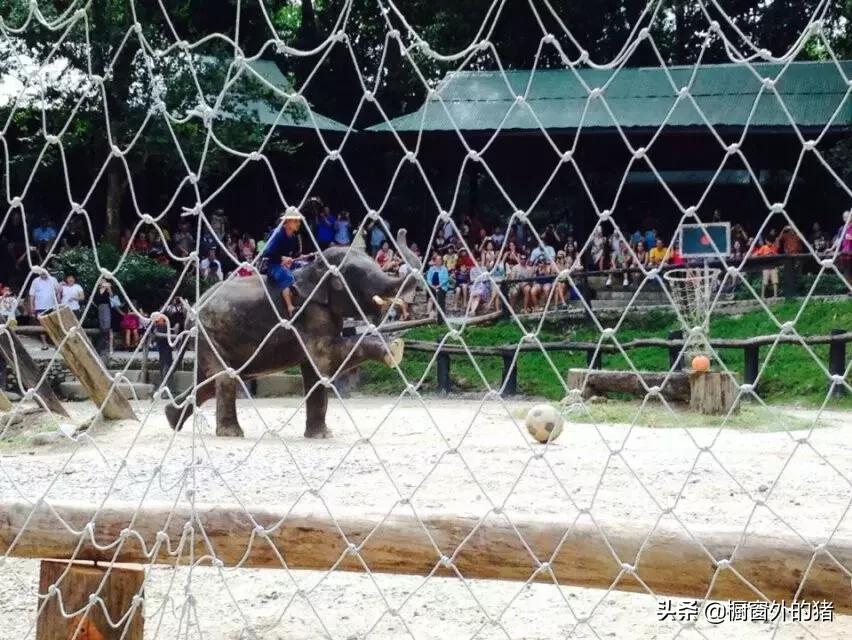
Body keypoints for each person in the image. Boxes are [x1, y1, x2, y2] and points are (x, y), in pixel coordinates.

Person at [262, 210, 306, 317]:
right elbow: (266, 252)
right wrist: (282, 258)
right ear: (287, 221)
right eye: (295, 221)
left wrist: (296, 258)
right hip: (273, 265)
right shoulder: (277, 234)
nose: (298, 223)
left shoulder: (293, 237)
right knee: (286, 276)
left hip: (285, 264)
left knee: (304, 266)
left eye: (298, 221)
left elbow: (291, 255)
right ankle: (290, 307)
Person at [28, 268, 60, 349]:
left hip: (52, 306)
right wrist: (32, 306)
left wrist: (59, 303)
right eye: (41, 272)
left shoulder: (53, 280)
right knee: (41, 325)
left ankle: (55, 343)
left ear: (48, 272)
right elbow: (32, 295)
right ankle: (44, 343)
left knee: (53, 324)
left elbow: (58, 292)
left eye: (45, 272)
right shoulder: (35, 281)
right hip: (39, 306)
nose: (43, 273)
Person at [425, 253, 450, 317]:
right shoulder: (431, 269)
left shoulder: (444, 269)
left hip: (442, 286)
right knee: (431, 298)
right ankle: (428, 313)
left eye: (440, 260)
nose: (438, 261)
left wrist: (439, 286)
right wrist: (432, 285)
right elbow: (428, 279)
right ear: (435, 261)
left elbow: (446, 279)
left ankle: (438, 313)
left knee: (438, 296)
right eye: (437, 260)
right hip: (432, 286)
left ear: (441, 261)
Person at [92, 281, 113, 356]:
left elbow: (111, 296)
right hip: (100, 308)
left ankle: (105, 348)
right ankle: (100, 348)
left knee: (106, 326)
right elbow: (94, 299)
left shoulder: (107, 290)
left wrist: (108, 287)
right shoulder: (97, 290)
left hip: (106, 307)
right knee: (102, 327)